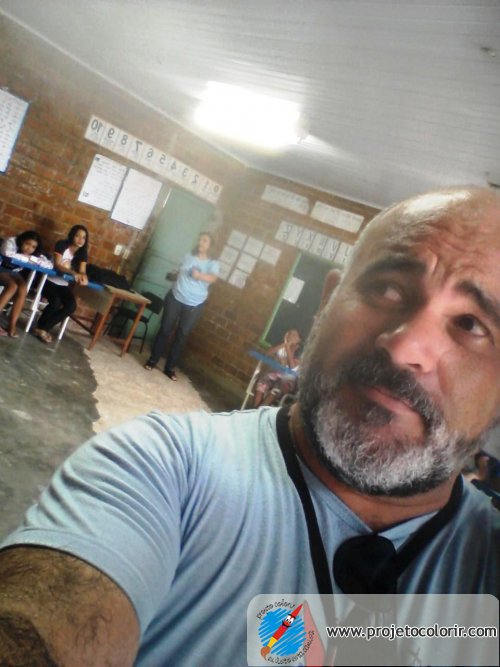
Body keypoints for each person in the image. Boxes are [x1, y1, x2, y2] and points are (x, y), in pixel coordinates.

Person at [0, 186, 499, 666]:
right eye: (386, 288)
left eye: (471, 324)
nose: (405, 346)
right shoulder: (164, 469)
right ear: (327, 301)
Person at [144, 231, 219, 380]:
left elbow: (213, 278)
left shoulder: (213, 263)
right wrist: (174, 273)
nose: (200, 243)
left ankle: (169, 368)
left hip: (195, 303)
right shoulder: (188, 256)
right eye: (200, 240)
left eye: (204, 241)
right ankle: (152, 360)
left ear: (210, 245)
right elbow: (179, 270)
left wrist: (199, 276)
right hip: (175, 297)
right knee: (165, 329)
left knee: (182, 335)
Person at [34, 224, 89, 344]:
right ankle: (41, 328)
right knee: (55, 302)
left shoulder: (82, 253)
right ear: (72, 235)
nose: (80, 239)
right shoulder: (62, 244)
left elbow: (82, 271)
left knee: (71, 306)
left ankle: (43, 328)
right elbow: (57, 265)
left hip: (62, 285)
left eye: (83, 237)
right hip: (47, 280)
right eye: (77, 236)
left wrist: (84, 277)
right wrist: (73, 273)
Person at [0, 229, 45, 337]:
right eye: (27, 244)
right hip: (1, 268)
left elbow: (47, 264)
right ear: (21, 241)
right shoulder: (11, 242)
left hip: (14, 272)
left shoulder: (34, 253)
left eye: (33, 247)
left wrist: (32, 258)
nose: (29, 248)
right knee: (12, 286)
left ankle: (12, 325)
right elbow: (7, 253)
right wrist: (28, 258)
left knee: (23, 289)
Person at [253, 328, 302, 407]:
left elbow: (292, 367)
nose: (290, 336)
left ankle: (259, 410)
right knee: (263, 380)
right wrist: (285, 344)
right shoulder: (280, 347)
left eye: (294, 335)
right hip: (273, 375)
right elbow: (267, 354)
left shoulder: (300, 353)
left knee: (278, 388)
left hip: (287, 381)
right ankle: (256, 410)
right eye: (289, 333)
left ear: (299, 340)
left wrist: (288, 348)